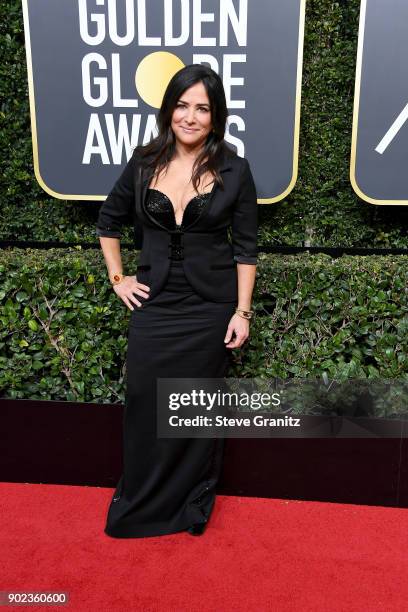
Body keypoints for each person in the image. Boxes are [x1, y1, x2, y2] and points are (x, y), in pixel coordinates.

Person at [96, 64, 258, 538]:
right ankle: (143, 502)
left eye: (202, 108)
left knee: (194, 407)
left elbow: (245, 249)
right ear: (169, 110)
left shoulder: (235, 169)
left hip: (210, 310)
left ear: (215, 116)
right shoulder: (145, 161)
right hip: (156, 305)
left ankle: (189, 503)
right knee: (147, 402)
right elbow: (108, 221)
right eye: (182, 105)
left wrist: (241, 312)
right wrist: (119, 278)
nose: (190, 117)